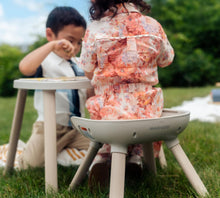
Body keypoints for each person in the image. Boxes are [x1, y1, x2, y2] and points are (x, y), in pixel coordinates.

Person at [79, 0, 174, 188]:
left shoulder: (95, 29)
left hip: (110, 111)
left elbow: (88, 70)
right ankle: (136, 157)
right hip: (147, 111)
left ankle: (103, 156)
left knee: (114, 119)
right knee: (135, 118)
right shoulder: (153, 25)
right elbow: (166, 59)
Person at [18, 6, 90, 169]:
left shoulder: (78, 64)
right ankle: (20, 150)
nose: (75, 47)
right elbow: (25, 67)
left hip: (78, 126)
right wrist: (52, 46)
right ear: (50, 35)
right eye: (70, 41)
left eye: (79, 42)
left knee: (100, 150)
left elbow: (88, 93)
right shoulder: (45, 60)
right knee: (30, 165)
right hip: (51, 127)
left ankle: (63, 153)